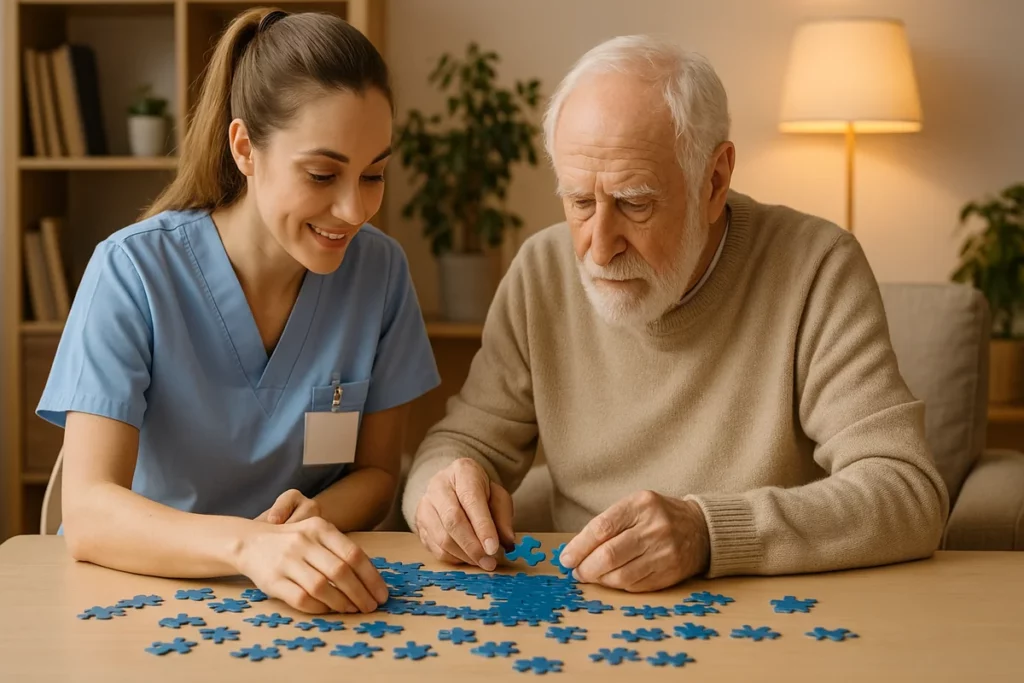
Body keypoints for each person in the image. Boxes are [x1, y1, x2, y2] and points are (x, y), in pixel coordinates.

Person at [402, 35, 949, 591]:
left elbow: (907, 490)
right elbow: (459, 445)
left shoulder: (817, 267)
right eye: (580, 202)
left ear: (714, 181)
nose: (599, 248)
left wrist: (708, 533)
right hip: (582, 608)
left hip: (769, 607)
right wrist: (441, 493)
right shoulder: (539, 270)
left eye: (635, 203)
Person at [36, 8, 439, 615]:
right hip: (134, 597)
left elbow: (378, 475)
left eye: (374, 174)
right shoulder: (132, 270)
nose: (355, 210)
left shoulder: (380, 273)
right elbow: (90, 511)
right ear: (245, 148)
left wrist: (310, 523)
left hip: (297, 604)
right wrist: (251, 546)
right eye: (322, 174)